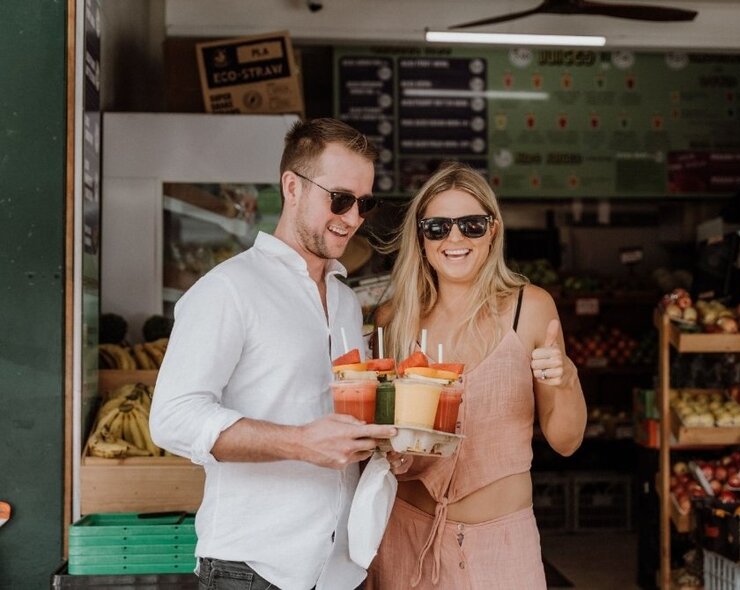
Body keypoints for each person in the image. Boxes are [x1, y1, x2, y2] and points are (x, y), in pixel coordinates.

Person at [150, 118, 399, 590]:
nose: (352, 218)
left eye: (364, 204)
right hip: (251, 570)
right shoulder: (228, 289)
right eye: (340, 199)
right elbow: (173, 418)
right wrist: (301, 442)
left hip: (338, 572)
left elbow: (335, 422)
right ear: (292, 187)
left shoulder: (345, 300)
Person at [367, 162, 587, 589]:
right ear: (420, 236)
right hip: (405, 542)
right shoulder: (393, 318)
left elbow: (566, 442)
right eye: (438, 227)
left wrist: (567, 380)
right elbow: (379, 434)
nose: (455, 239)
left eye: (470, 225)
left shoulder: (531, 308)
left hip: (502, 548)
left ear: (493, 230)